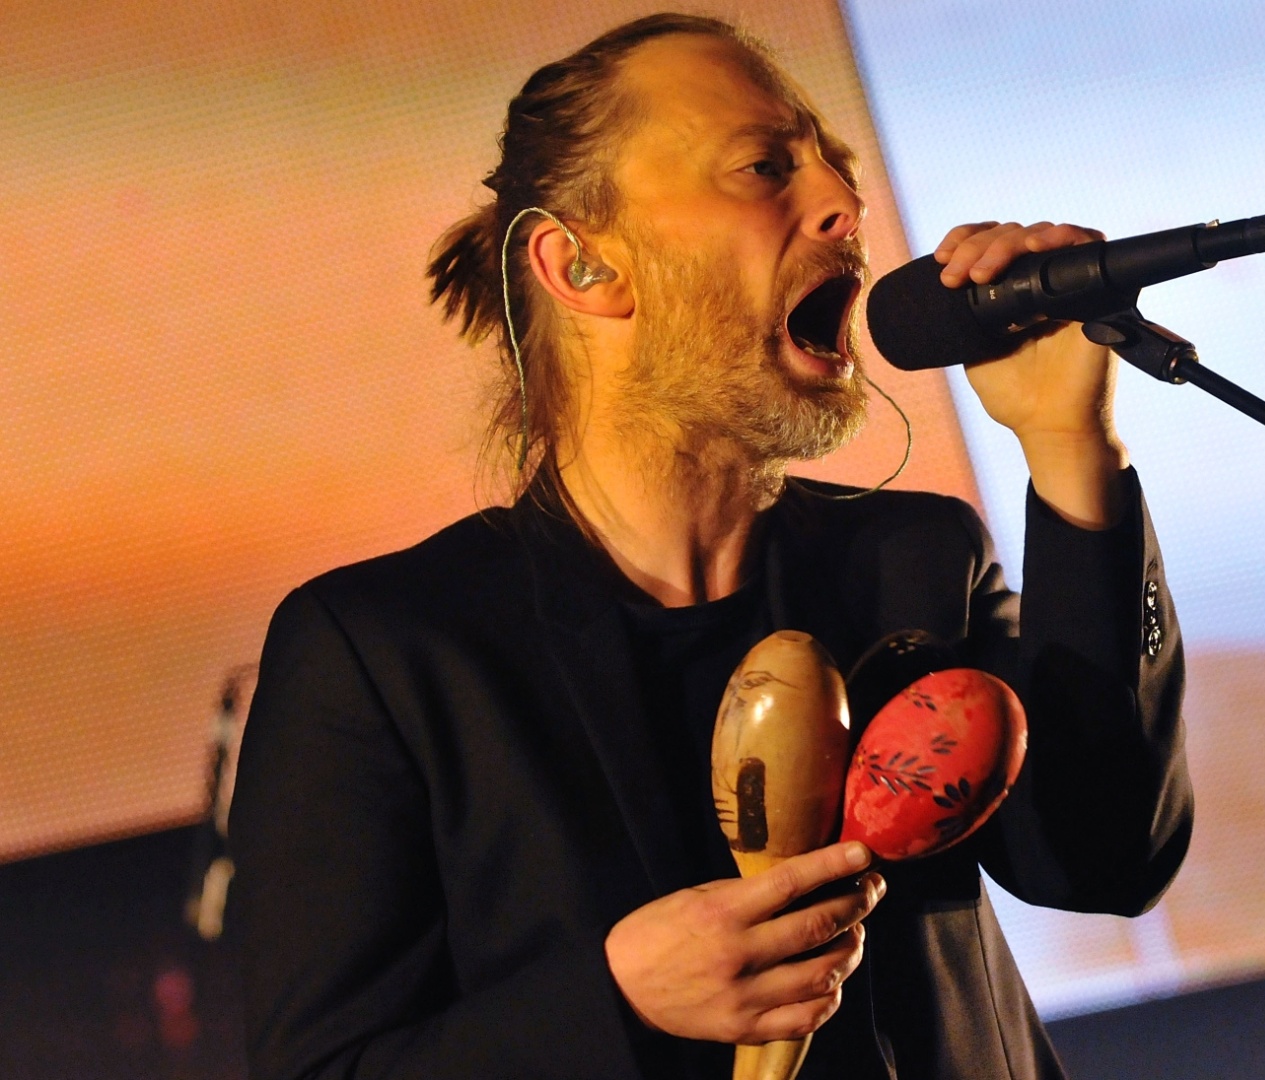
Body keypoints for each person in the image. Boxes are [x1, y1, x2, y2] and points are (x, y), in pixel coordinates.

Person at [227, 13, 1190, 1080]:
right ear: (580, 263)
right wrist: (619, 1006)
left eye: (836, 164)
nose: (845, 202)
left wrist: (1069, 446)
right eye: (766, 166)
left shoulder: (914, 560)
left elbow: (1109, 857)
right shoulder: (387, 654)